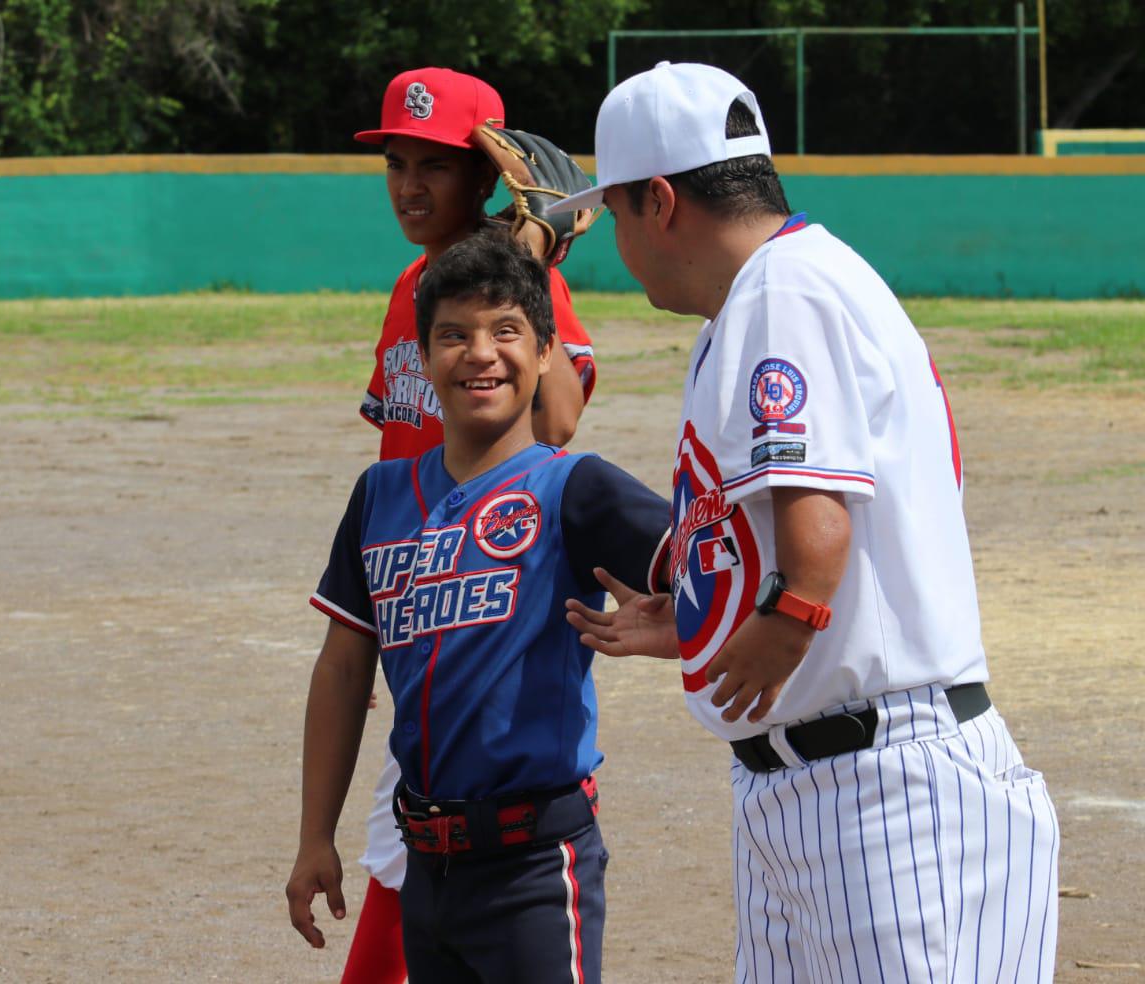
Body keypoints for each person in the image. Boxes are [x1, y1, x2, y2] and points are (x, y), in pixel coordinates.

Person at [556, 62, 1060, 982]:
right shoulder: (772, 293)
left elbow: (818, 534)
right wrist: (706, 618)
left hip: (890, 801)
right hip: (815, 787)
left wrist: (788, 621)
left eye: (618, 214)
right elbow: (793, 532)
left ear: (660, 201)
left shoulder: (782, 291)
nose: (617, 242)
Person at [286, 232, 670, 983]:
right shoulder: (382, 496)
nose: (480, 354)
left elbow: (722, 573)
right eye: (452, 336)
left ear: (547, 351)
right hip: (427, 867)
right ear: (423, 358)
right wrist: (314, 838)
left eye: (506, 332)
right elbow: (340, 670)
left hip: (532, 863)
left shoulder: (575, 488)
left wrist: (684, 631)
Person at [339, 67, 599, 984]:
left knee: (403, 847)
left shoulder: (507, 285)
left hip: (481, 595)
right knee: (400, 854)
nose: (411, 184)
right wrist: (386, 624)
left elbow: (559, 423)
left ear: (486, 176)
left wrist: (534, 268)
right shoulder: (416, 285)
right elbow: (395, 459)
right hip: (416, 597)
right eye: (396, 163)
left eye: (436, 166)